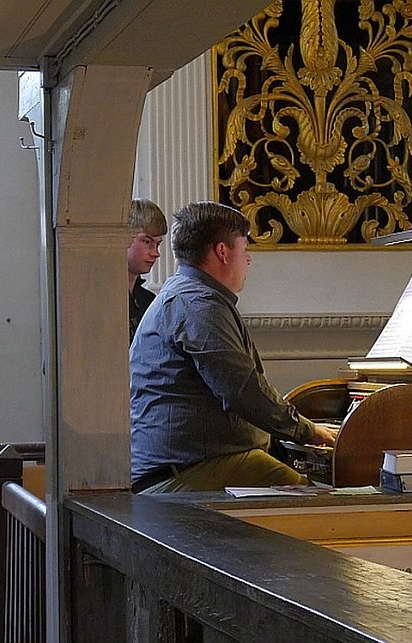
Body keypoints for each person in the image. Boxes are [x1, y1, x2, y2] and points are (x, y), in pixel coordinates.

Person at [130, 201, 335, 493]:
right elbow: (241, 390)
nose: (248, 260)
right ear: (222, 252)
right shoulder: (199, 304)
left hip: (190, 462)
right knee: (319, 503)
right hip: (183, 472)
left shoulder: (190, 295)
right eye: (245, 248)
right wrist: (309, 431)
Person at [127, 198, 168, 344]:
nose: (156, 253)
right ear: (124, 238)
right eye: (147, 242)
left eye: (157, 244)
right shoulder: (104, 299)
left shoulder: (150, 301)